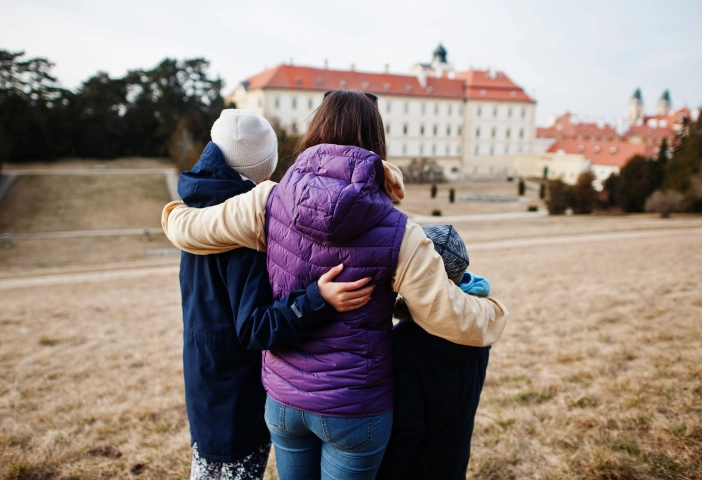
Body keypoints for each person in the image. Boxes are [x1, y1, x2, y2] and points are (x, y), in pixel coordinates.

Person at [162, 91, 509, 480]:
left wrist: (174, 210)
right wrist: (494, 311)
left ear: (316, 129)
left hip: (284, 400)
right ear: (377, 141)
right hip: (356, 408)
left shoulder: (265, 201)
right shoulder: (403, 234)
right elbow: (452, 318)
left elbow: (188, 228)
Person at [180, 109, 374, 480]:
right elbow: (254, 327)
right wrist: (317, 298)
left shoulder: (198, 207)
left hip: (203, 373)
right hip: (234, 392)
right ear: (263, 169)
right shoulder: (243, 231)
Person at [377, 224, 492, 480]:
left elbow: (406, 430)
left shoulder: (406, 343)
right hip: (454, 460)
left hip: (414, 468)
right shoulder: (479, 327)